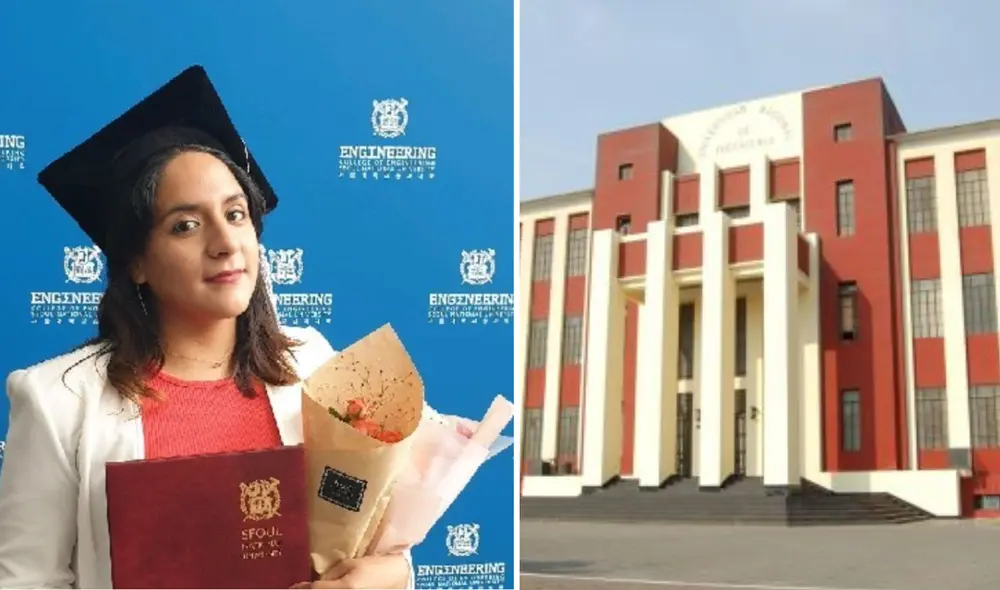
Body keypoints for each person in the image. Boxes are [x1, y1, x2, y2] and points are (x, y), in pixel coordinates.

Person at [0, 65, 413, 589]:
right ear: (137, 262)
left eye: (236, 214)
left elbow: (369, 546)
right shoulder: (58, 401)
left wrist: (390, 573)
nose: (224, 242)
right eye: (186, 225)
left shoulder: (311, 364)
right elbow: (25, 580)